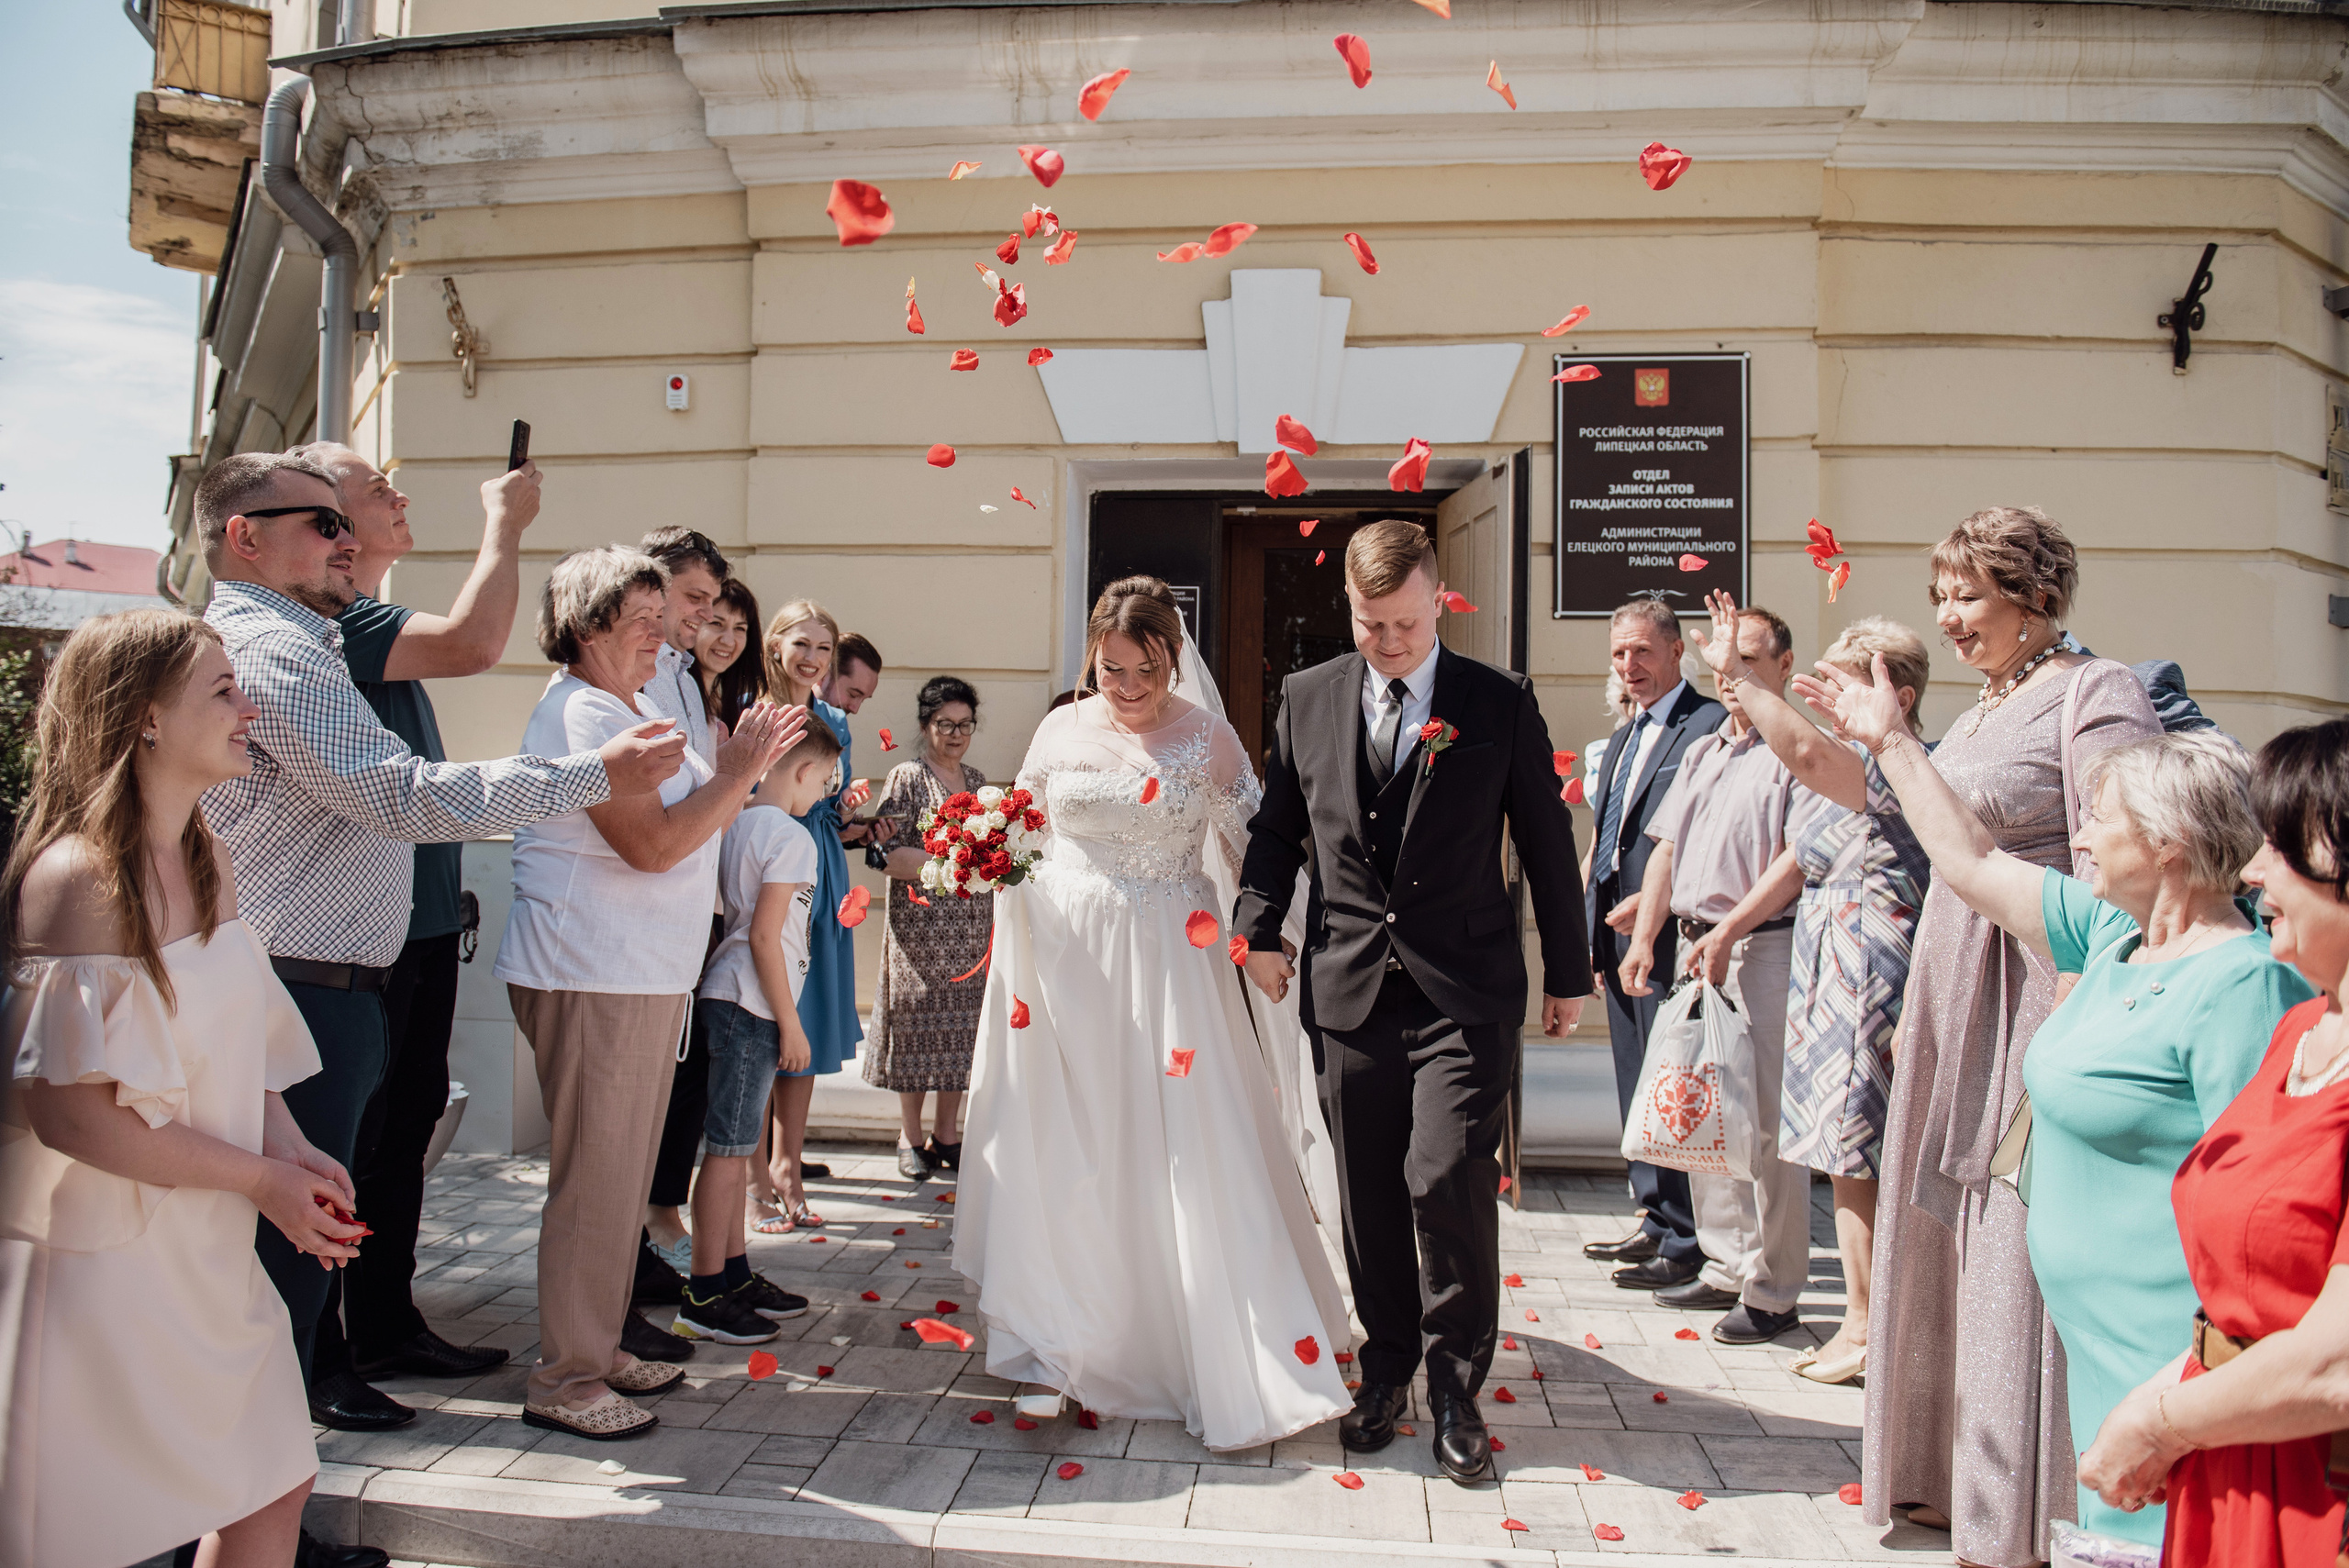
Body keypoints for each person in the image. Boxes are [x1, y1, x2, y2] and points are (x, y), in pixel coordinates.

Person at [193, 452, 687, 1499]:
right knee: (271, 1279)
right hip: (300, 988)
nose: (345, 540)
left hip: (334, 986)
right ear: (245, 537)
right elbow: (395, 795)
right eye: (319, 523)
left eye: (344, 523)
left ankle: (266, 1505)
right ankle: (247, 1513)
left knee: (298, 1261)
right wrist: (591, 775)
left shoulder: (310, 639)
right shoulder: (270, 649)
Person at [1812, 662, 2311, 1547]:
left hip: (2172, 1361)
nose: (2080, 842)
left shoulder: (2240, 983)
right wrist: (1888, 739)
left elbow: (2264, 1211)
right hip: (2097, 1351)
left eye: (2101, 823)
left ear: (2165, 841)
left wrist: (2185, 1392)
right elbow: (1967, 859)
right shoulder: (2114, 933)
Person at [956, 574, 1353, 1452]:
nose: (1128, 689)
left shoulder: (1207, 739)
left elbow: (1257, 850)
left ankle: (1196, 1336)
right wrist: (983, 850)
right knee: (1073, 1142)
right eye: (1111, 671)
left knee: (1174, 1142)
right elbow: (1019, 821)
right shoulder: (1060, 727)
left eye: (1144, 670)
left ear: (1173, 656)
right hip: (1061, 964)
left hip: (1169, 961)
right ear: (1093, 659)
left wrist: (1283, 941)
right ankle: (1055, 1346)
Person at [1236, 521, 1596, 1483]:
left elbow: (1547, 843)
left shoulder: (1498, 700)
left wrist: (1569, 971)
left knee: (1443, 1177)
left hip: (1464, 990)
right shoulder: (1306, 697)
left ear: (1437, 599)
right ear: (1348, 610)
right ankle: (1385, 1367)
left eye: (1403, 623)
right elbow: (1275, 828)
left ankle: (1454, 1384)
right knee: (1367, 1195)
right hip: (1349, 984)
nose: (1389, 642)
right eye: (1370, 624)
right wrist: (1257, 923)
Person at [0, 611, 353, 1568]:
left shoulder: (209, 857)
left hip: (207, 1243)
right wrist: (256, 1178)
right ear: (147, 717)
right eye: (224, 690)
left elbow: (240, 1036)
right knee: (84, 1531)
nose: (249, 709)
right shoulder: (75, 879)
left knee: (274, 1478)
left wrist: (286, 1145)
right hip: (103, 1259)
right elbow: (69, 1113)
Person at [1854, 506, 2160, 1565]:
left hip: (2034, 995)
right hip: (1952, 995)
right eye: (1940, 593)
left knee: (2013, 1247)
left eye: (1967, 593)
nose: (1947, 615)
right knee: (1951, 1234)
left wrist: (2092, 1018)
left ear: (2035, 594)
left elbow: (2130, 853)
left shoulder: (2096, 689)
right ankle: (1950, 1479)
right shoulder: (1987, 706)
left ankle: (2029, 1511)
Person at [492, 547, 799, 1440]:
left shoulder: (625, 703)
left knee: (622, 1179)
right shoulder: (585, 713)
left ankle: (599, 1343)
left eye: (663, 623)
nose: (661, 640)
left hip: (637, 972)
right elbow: (653, 845)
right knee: (595, 1186)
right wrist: (739, 769)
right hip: (594, 971)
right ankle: (567, 1376)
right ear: (588, 627)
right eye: (643, 624)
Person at [283, 441, 534, 1432]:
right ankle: (322, 1352)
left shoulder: (370, 620)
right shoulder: (344, 625)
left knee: (398, 1136)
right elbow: (477, 641)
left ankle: (381, 1321)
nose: (395, 496)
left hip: (419, 929)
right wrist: (505, 524)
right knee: (353, 1145)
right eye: (370, 489)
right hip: (366, 945)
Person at [2074, 720, 2349, 1567]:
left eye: (2281, 846)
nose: (2255, 870)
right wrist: (2165, 1410)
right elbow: (2242, 1313)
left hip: (2314, 1489)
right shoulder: (2305, 1027)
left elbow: (2333, 1364)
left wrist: (2158, 1423)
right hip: (2233, 1457)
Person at [1688, 597, 1935, 1385]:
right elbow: (1798, 855)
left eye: (1839, 683)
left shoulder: (1892, 762)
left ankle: (1869, 1326)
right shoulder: (1841, 757)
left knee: (1860, 1153)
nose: (1823, 697)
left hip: (1873, 962)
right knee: (1839, 1155)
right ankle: (1859, 1317)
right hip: (1826, 964)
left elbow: (1792, 746)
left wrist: (1735, 675)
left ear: (1890, 689)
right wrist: (1725, 929)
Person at [1620, 603, 1829, 1345]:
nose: (1731, 678)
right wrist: (1647, 936)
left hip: (1761, 948)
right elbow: (1668, 850)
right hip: (1693, 945)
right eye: (1724, 665)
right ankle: (1725, 1260)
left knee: (1766, 1125)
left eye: (1749, 662)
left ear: (1783, 668)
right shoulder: (1708, 748)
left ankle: (1774, 1287)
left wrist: (1731, 928)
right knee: (1705, 1113)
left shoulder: (1799, 753)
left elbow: (1799, 860)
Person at [674, 723, 837, 1345]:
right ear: (800, 771)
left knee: (734, 1147)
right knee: (728, 1150)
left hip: (728, 993)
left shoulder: (736, 822)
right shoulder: (792, 838)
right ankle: (706, 1289)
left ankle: (733, 1273)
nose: (820, 793)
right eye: (822, 780)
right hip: (753, 1004)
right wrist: (792, 1024)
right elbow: (767, 937)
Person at [1580, 599, 1726, 1289]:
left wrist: (1654, 915)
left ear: (1675, 652)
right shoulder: (1627, 730)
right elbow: (1604, 838)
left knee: (1676, 1082)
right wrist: (1584, 927)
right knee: (1636, 1078)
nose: (1628, 666)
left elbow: (1700, 835)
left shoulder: (1707, 725)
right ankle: (1657, 1215)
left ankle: (1691, 1235)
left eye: (1641, 652)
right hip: (1615, 934)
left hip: (1668, 934)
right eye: (1618, 654)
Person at [630, 528, 729, 1284]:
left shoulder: (687, 678)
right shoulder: (635, 679)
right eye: (693, 599)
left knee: (682, 1076)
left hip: (692, 911)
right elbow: (671, 795)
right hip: (639, 918)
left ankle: (652, 1226)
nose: (703, 615)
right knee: (634, 1104)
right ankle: (634, 1245)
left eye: (712, 601)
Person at [755, 602, 869, 1228]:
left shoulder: (830, 719)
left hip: (822, 867)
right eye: (802, 643)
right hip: (769, 862)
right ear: (775, 645)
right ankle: (749, 1176)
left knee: (807, 1022)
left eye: (824, 648)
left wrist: (843, 799)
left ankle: (787, 1166)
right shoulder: (751, 712)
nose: (813, 658)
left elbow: (823, 797)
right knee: (758, 1021)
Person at [863, 676, 991, 1181]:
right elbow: (887, 855)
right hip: (920, 930)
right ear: (925, 725)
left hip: (970, 930)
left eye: (965, 724)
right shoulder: (907, 777)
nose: (956, 734)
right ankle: (910, 1135)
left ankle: (948, 1133)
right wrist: (953, 860)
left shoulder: (980, 782)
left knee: (961, 1032)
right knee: (916, 1028)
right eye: (945, 724)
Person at [694, 578, 763, 734]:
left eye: (739, 628)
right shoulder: (675, 693)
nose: (728, 641)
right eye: (716, 624)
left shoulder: (728, 706)